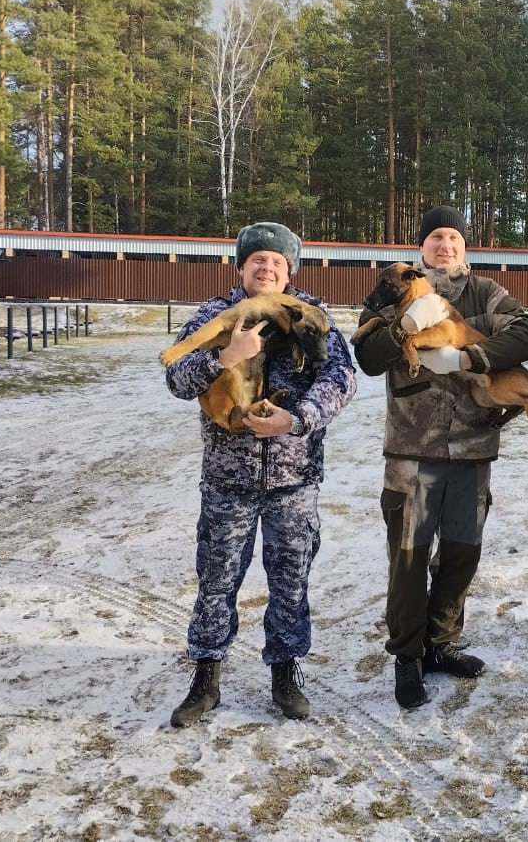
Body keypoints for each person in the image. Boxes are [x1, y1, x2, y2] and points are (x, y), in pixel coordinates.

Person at [163, 222, 357, 725]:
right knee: (216, 579)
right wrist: (226, 356)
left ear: (289, 272)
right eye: (258, 261)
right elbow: (177, 378)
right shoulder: (215, 315)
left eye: (277, 262)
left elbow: (340, 378)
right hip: (228, 481)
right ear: (241, 267)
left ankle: (285, 674)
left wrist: (297, 420)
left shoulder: (312, 317)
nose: (267, 268)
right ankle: (206, 675)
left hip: (294, 481)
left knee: (291, 580)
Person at [352, 205, 528, 709]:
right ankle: (408, 657)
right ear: (421, 246)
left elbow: (526, 334)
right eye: (436, 237)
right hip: (412, 451)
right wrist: (404, 327)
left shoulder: (484, 292)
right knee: (409, 559)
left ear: (465, 246)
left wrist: (467, 356)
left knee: (462, 553)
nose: (445, 246)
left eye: (453, 237)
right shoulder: (395, 289)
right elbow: (367, 358)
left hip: (474, 448)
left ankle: (441, 643)